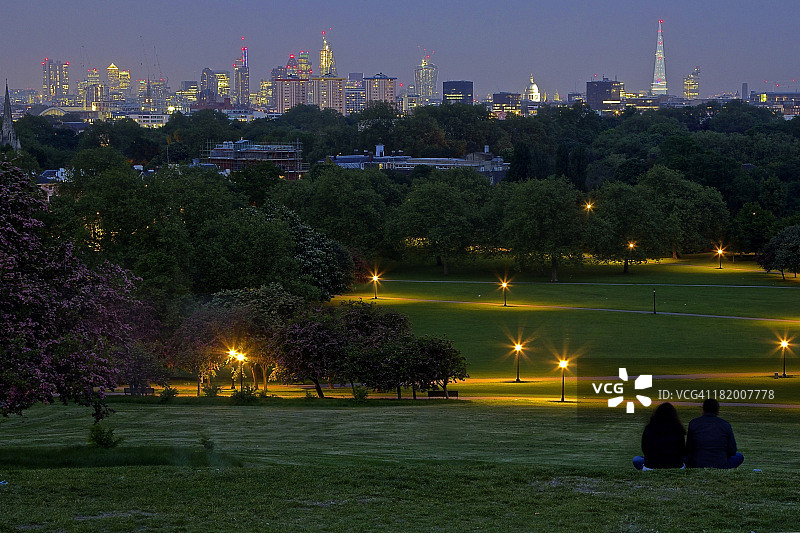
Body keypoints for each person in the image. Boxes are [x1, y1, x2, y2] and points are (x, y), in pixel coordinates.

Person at [686, 398, 744, 469]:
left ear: (703, 410)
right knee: (739, 456)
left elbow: (689, 448)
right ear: (717, 411)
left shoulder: (694, 423)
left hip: (697, 463)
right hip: (720, 463)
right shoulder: (725, 424)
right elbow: (732, 450)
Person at [633, 402, 687, 470]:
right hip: (676, 465)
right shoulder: (678, 429)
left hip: (652, 465)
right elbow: (682, 449)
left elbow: (644, 448)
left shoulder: (649, 427)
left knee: (636, 459)